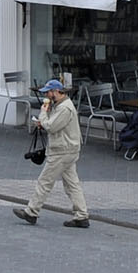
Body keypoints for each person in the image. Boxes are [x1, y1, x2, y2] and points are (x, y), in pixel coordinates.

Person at [15, 79, 91, 228]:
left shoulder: (64, 108)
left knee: (44, 182)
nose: (48, 96)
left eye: (49, 92)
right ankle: (82, 216)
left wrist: (43, 114)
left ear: (57, 91)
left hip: (62, 151)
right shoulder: (61, 106)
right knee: (72, 184)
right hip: (68, 149)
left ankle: (31, 212)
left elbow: (51, 127)